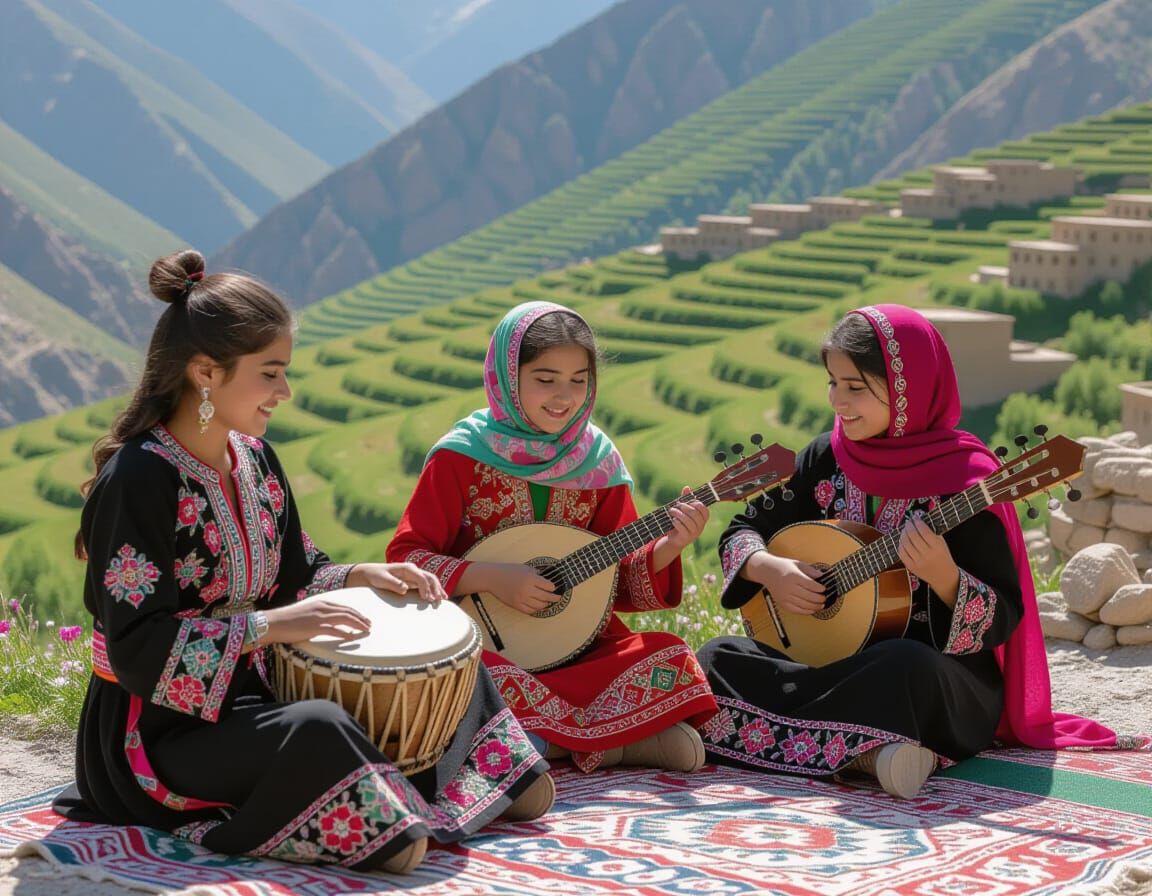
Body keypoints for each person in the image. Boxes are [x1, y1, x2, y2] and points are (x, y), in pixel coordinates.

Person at [53, 250, 553, 875]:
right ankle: (398, 808)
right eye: (270, 374)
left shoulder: (255, 459)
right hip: (157, 734)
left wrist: (363, 576)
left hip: (258, 691)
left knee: (446, 664)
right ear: (205, 372)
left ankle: (408, 800)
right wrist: (272, 627)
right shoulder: (137, 479)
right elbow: (135, 646)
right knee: (320, 727)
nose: (284, 392)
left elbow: (296, 574)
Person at [698, 303, 1116, 798]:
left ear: (906, 389)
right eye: (832, 383)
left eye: (855, 387)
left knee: (905, 665)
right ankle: (870, 753)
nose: (838, 400)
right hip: (826, 665)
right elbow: (745, 528)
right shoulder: (825, 457)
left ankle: (766, 737)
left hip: (929, 677)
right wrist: (768, 568)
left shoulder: (966, 482)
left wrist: (946, 578)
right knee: (717, 656)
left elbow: (1004, 617)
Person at [387, 301, 719, 773]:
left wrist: (670, 545)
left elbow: (616, 580)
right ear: (508, 377)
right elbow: (406, 558)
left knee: (672, 658)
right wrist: (491, 578)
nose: (564, 397)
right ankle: (609, 742)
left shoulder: (599, 462)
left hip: (576, 649)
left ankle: (543, 742)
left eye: (579, 381)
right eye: (545, 379)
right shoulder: (460, 457)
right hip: (482, 646)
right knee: (473, 677)